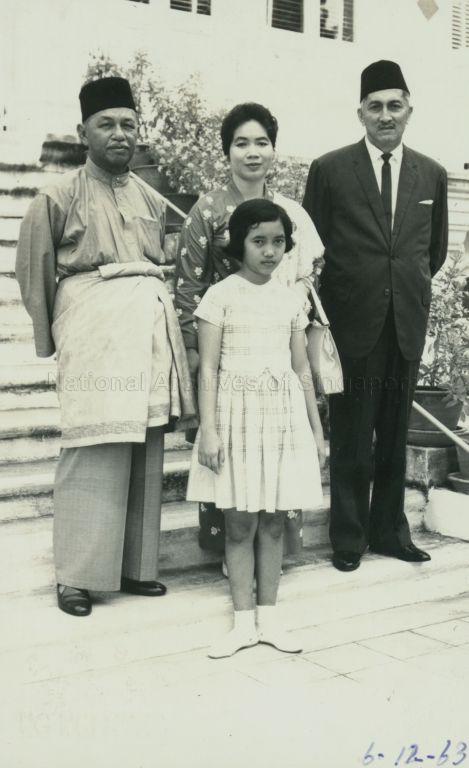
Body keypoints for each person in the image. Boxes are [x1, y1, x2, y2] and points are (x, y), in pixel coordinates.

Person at [15, 77, 196, 616]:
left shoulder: (148, 194)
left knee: (144, 446)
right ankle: (75, 575)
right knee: (94, 446)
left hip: (144, 337)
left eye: (128, 125)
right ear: (83, 132)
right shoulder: (57, 196)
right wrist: (54, 337)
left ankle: (133, 568)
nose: (120, 135)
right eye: (106, 124)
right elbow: (34, 269)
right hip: (94, 336)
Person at [302, 60, 448, 572]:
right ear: (360, 112)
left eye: (395, 106)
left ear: (409, 109)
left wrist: (401, 289)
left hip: (404, 322)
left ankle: (390, 531)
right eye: (375, 107)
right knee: (351, 434)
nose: (386, 116)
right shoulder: (330, 169)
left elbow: (434, 251)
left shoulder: (430, 173)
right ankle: (348, 537)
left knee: (393, 434)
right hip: (352, 324)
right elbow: (310, 246)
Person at [175, 102, 324, 559]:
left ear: (274, 150)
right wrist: (197, 350)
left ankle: (274, 554)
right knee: (230, 451)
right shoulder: (208, 209)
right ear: (227, 152)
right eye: (242, 143)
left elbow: (305, 275)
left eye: (261, 142)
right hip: (226, 344)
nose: (252, 152)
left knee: (278, 447)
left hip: (279, 345)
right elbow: (188, 284)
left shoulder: (289, 211)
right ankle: (230, 555)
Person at [186, 199, 325, 658]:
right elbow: (207, 370)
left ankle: (270, 619)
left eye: (278, 242)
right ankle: (242, 622)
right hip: (235, 416)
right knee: (240, 521)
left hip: (281, 418)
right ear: (239, 243)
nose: (269, 251)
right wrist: (209, 429)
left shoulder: (290, 300)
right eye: (259, 241)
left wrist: (316, 431)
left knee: (273, 522)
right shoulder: (220, 296)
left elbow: (302, 370)